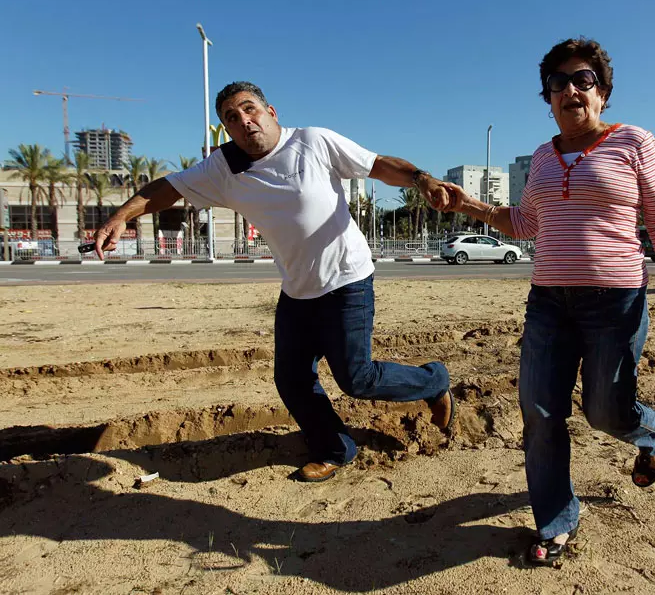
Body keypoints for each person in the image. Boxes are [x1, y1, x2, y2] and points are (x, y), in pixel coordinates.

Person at [91, 81, 456, 483]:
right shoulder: (224, 167)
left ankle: (434, 380)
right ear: (226, 129)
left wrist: (422, 180)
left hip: (347, 280)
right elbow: (167, 189)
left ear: (272, 112)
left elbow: (379, 165)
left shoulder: (313, 142)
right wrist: (121, 216)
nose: (244, 121)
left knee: (358, 379)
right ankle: (335, 448)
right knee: (292, 379)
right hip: (298, 291)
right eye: (232, 118)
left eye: (250, 110)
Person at [439, 38, 655, 565]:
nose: (569, 90)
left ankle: (654, 433)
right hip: (548, 302)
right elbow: (525, 224)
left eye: (581, 80)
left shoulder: (632, 141)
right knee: (539, 412)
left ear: (602, 92)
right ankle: (556, 520)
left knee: (605, 412)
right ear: (548, 98)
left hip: (615, 299)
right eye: (557, 83)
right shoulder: (542, 156)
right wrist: (468, 203)